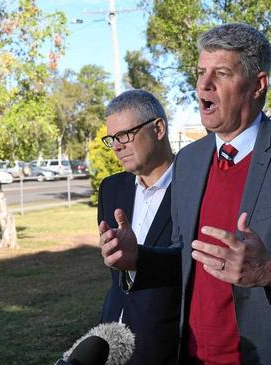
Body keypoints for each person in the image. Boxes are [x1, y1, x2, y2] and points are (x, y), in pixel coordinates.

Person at [99, 23, 271, 364]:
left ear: (258, 85)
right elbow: (186, 256)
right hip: (195, 356)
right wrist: (139, 258)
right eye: (200, 73)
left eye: (221, 73)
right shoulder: (190, 160)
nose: (203, 85)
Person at [97, 89, 180, 365]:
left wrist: (140, 261)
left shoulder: (194, 187)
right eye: (112, 139)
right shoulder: (111, 189)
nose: (117, 146)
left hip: (167, 345)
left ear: (158, 129)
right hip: (110, 339)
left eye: (125, 135)